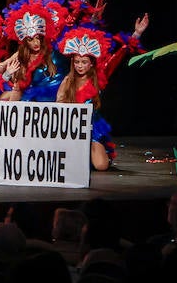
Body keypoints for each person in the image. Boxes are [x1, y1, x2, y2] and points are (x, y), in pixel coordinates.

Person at [55, 16, 148, 171]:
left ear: (91, 64)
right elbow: (58, 105)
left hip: (92, 126)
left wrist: (136, 34)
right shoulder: (67, 81)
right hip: (71, 127)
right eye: (77, 62)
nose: (80, 66)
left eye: (84, 62)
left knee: (101, 166)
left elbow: (117, 57)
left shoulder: (99, 77)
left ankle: (94, 154)